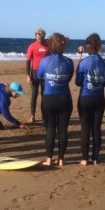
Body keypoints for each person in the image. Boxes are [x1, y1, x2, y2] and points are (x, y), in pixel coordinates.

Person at [37, 32, 74, 167]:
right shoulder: (68, 61)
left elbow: (40, 75)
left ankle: (49, 159)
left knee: (50, 129)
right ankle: (61, 159)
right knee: (63, 129)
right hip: (64, 97)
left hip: (49, 97)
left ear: (50, 45)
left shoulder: (45, 60)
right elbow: (69, 77)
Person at [75, 33, 105, 165]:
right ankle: (95, 158)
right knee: (96, 128)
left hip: (85, 97)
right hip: (99, 98)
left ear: (88, 47)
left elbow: (78, 82)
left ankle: (84, 158)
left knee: (85, 128)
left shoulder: (83, 63)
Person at [25, 29, 49, 122]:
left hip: (45, 73)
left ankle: (44, 115)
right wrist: (28, 75)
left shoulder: (48, 46)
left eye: (41, 37)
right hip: (34, 73)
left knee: (44, 95)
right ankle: (32, 115)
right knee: (34, 94)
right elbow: (27, 62)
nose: (39, 39)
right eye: (38, 37)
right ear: (36, 36)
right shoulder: (32, 46)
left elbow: (51, 59)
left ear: (44, 37)